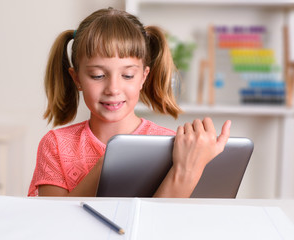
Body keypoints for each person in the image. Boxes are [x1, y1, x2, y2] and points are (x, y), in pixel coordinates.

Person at [28, 7, 231, 198]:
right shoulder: (55, 145)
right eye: (97, 75)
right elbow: (56, 223)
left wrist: (187, 169)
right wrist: (106, 165)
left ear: (143, 77)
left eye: (127, 75)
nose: (113, 88)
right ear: (77, 79)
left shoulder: (173, 147)